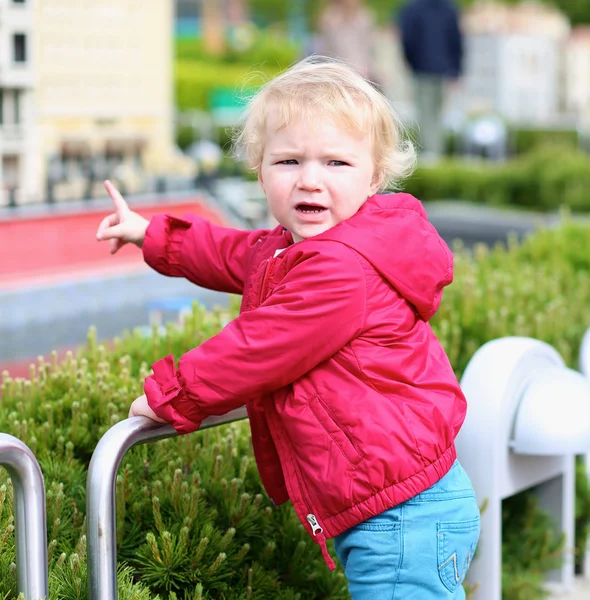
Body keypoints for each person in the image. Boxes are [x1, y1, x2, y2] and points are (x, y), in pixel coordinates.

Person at [96, 56, 480, 599]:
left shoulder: (343, 268)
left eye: (336, 164)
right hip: (397, 502)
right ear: (259, 169)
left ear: (375, 177)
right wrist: (151, 235)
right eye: (288, 160)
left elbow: (260, 346)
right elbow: (232, 253)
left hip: (402, 515)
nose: (310, 180)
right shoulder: (292, 248)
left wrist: (173, 395)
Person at [398, 0, 464, 159]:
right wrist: (456, 69)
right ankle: (435, 151)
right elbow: (456, 40)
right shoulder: (449, 8)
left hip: (421, 66)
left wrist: (410, 62)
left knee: (426, 112)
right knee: (437, 113)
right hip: (443, 68)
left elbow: (407, 40)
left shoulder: (412, 8)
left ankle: (430, 153)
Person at [316, 0, 377, 81]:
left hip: (363, 74)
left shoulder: (365, 18)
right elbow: (326, 52)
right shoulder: (330, 20)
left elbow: (369, 50)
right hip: (338, 74)